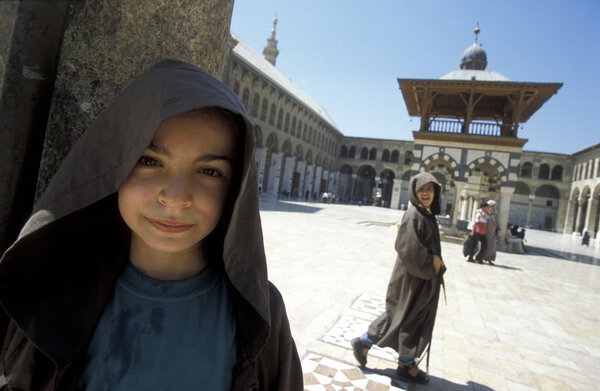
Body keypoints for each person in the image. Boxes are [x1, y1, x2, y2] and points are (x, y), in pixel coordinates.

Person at [0, 60, 303, 390]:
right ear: (114, 166)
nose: (175, 198)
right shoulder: (54, 291)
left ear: (235, 190)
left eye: (209, 171)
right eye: (149, 161)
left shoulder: (258, 311)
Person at [350, 172, 446, 384]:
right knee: (403, 316)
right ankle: (401, 362)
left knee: (407, 316)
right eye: (422, 189)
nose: (426, 193)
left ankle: (392, 356)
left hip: (419, 278)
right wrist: (432, 262)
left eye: (430, 189)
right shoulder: (414, 215)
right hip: (411, 278)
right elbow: (408, 249)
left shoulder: (425, 214)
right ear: (414, 191)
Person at [482, 200, 498, 264]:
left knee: (492, 246)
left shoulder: (494, 213)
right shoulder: (486, 212)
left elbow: (495, 222)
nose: (495, 207)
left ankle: (489, 258)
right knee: (485, 245)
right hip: (486, 232)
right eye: (493, 205)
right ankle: (482, 257)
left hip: (492, 232)